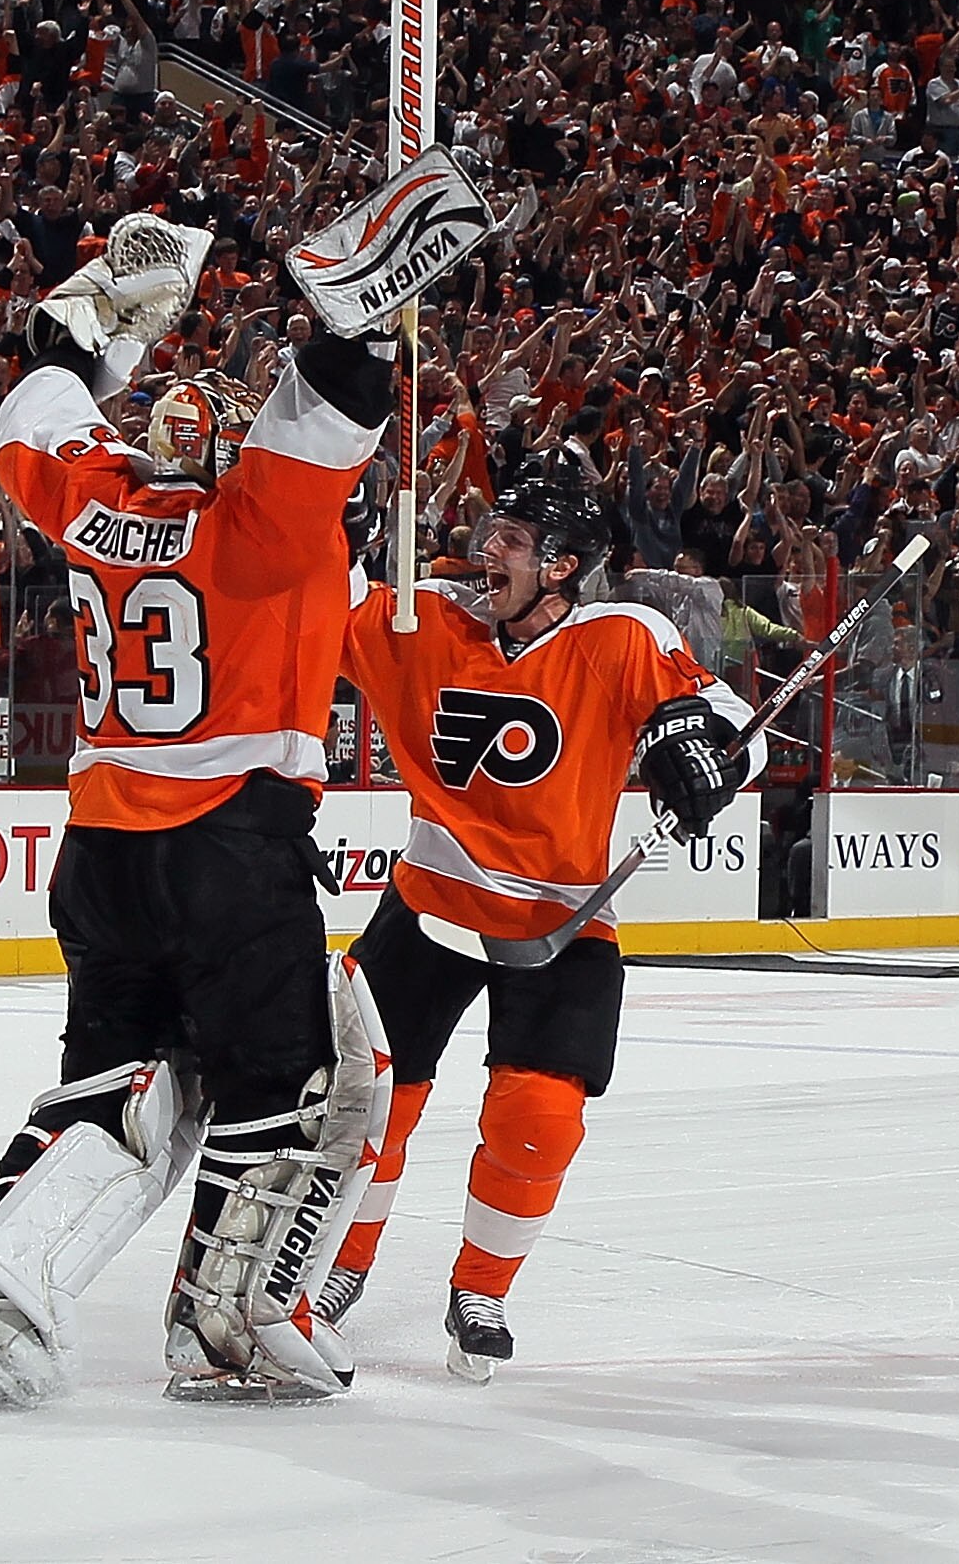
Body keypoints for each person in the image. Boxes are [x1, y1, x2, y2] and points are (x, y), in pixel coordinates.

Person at [0, 215, 396, 1409]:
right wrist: (365, 312)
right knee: (288, 1078)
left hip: (103, 850)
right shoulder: (263, 523)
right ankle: (222, 1320)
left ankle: (1, 1264)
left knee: (117, 1075)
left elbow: (38, 397)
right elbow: (323, 412)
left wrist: (85, 334)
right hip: (230, 842)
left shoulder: (87, 496)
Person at [316, 454, 761, 1380]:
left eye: (512, 542)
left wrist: (700, 755)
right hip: (429, 906)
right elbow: (328, 608)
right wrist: (335, 528)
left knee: (541, 1119)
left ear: (561, 564)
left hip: (559, 923)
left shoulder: (624, 634)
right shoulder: (423, 619)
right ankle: (334, 1270)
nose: (487, 552)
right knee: (368, 1103)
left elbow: (727, 727)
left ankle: (482, 1285)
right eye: (491, 535)